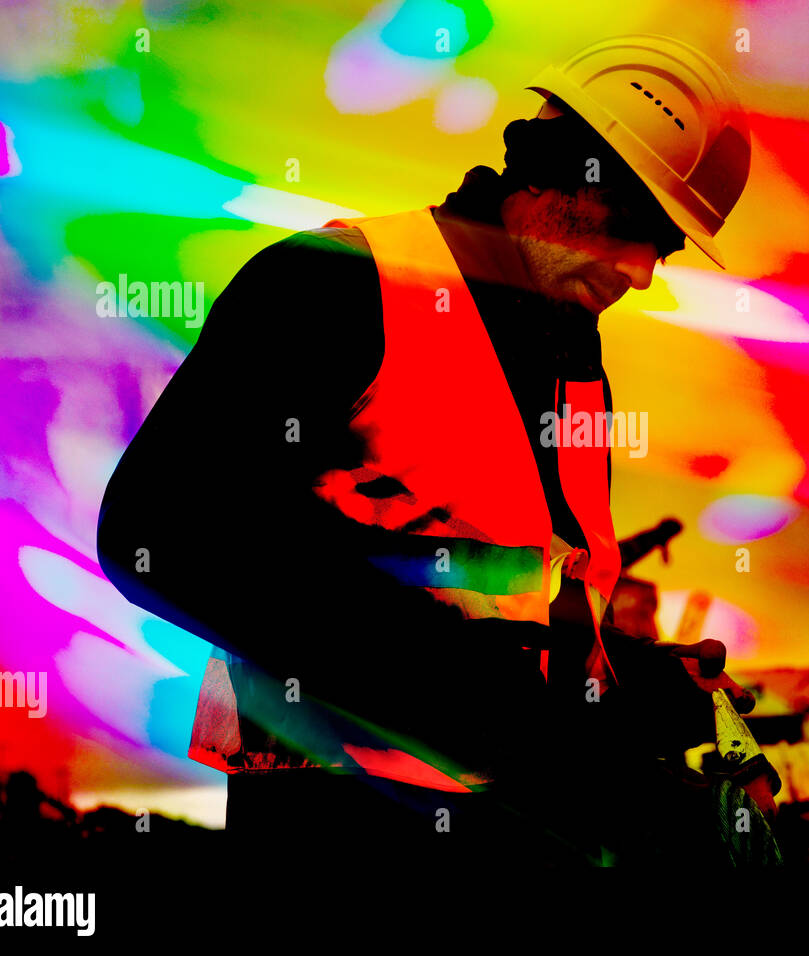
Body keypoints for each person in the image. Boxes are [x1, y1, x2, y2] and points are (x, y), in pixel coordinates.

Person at [97, 34, 768, 868]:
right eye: (629, 225)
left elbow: (520, 586)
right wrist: (483, 712)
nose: (640, 272)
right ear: (550, 169)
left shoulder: (568, 347)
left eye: (662, 248)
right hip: (340, 823)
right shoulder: (333, 284)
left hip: (509, 818)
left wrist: (639, 684)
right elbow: (160, 533)